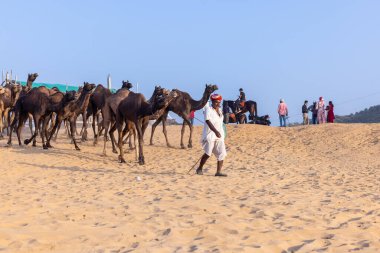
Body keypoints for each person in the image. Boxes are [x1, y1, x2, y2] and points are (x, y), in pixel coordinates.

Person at [196, 94, 227, 177]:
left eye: (219, 102)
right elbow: (208, 121)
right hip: (210, 135)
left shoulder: (220, 111)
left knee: (222, 153)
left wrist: (222, 132)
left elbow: (221, 123)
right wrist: (215, 131)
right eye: (216, 102)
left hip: (220, 136)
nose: (218, 104)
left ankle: (218, 172)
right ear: (212, 102)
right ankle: (200, 168)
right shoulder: (208, 110)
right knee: (208, 153)